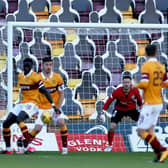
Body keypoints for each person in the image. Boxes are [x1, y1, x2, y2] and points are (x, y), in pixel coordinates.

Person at [2, 58, 60, 154]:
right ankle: (8, 149)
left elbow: (45, 91)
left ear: (32, 66)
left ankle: (28, 145)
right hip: (23, 103)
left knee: (19, 119)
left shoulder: (35, 77)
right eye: (25, 65)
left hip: (33, 103)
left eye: (28, 66)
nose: (26, 67)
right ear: (22, 65)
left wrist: (53, 105)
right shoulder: (20, 76)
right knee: (6, 123)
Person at [26, 57, 68, 155]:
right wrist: (35, 108)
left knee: (61, 122)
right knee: (38, 128)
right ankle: (25, 143)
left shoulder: (58, 77)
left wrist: (58, 107)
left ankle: (65, 147)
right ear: (42, 65)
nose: (49, 67)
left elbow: (61, 94)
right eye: (46, 65)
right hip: (42, 107)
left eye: (50, 65)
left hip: (54, 108)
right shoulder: (37, 78)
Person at [134, 44, 168, 163]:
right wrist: (157, 86)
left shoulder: (146, 66)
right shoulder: (161, 66)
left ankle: (163, 149)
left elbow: (145, 83)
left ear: (145, 54)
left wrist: (135, 85)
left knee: (140, 132)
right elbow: (166, 83)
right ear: (156, 53)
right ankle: (159, 155)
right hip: (159, 103)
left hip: (149, 104)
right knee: (150, 130)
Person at [100, 71, 142, 152]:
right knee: (112, 127)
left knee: (143, 123)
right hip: (119, 110)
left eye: (128, 82)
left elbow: (140, 101)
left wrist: (142, 110)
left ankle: (149, 143)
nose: (126, 84)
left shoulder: (135, 91)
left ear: (130, 83)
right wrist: (103, 112)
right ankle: (109, 145)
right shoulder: (117, 91)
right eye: (125, 82)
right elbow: (109, 101)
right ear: (122, 83)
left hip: (131, 110)